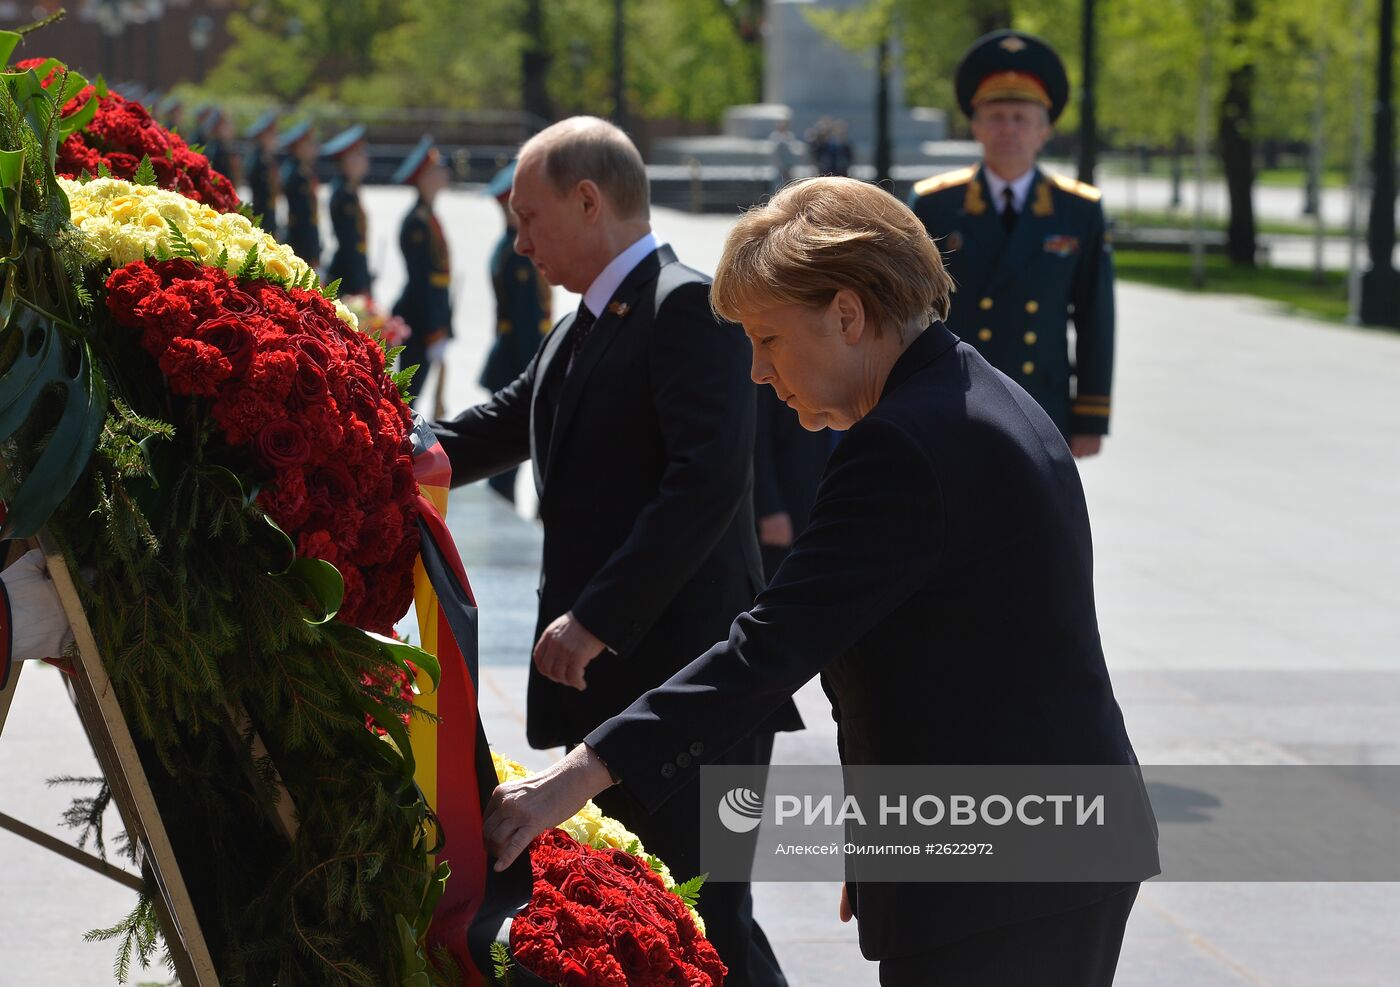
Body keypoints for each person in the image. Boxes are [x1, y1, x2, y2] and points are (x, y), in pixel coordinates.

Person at [481, 177, 1157, 986]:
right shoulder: (966, 393)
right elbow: (929, 651)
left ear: (846, 313)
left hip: (1007, 873)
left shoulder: (906, 442)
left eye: (768, 338)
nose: (760, 374)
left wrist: (580, 773)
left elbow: (771, 644)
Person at [431, 116, 799, 987]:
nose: (519, 242)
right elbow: (493, 427)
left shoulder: (687, 309)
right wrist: (377, 441)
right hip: (623, 695)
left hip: (692, 688)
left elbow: (706, 485)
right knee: (667, 912)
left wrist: (597, 617)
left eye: (529, 217)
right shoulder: (585, 324)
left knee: (710, 917)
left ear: (588, 200)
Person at [910, 30, 1115, 457]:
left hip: (1042, 397)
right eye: (997, 116)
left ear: (1044, 131)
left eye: (1021, 118)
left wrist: (1092, 414)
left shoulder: (1078, 209)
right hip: (955, 395)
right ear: (976, 125)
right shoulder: (935, 204)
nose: (1009, 129)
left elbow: (1096, 317)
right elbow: (912, 308)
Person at [477, 160, 552, 505]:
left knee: (510, 459)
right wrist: (538, 372)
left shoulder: (509, 249)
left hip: (512, 360)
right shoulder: (517, 256)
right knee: (507, 464)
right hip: (517, 363)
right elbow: (524, 322)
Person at [392, 136, 453, 413]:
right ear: (425, 177)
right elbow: (421, 283)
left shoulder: (428, 217)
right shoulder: (417, 222)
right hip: (419, 320)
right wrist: (433, 329)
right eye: (437, 168)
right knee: (408, 403)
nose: (444, 171)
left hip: (429, 318)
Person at [752, 384, 829, 580]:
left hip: (824, 495)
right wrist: (769, 508)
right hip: (787, 502)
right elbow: (756, 437)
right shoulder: (771, 369)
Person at [322, 124, 373, 296]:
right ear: (345, 161)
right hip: (348, 277)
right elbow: (349, 245)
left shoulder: (349, 191)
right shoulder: (344, 196)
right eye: (358, 154)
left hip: (354, 272)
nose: (365, 159)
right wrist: (360, 284)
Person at [278, 120, 321, 268]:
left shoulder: (303, 171)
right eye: (309, 144)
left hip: (307, 240)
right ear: (298, 148)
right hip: (300, 241)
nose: (314, 148)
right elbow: (301, 216)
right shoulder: (295, 174)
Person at [243, 109, 281, 230]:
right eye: (272, 134)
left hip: (269, 212)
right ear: (263, 137)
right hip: (260, 212)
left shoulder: (267, 158)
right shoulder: (257, 160)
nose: (275, 138)